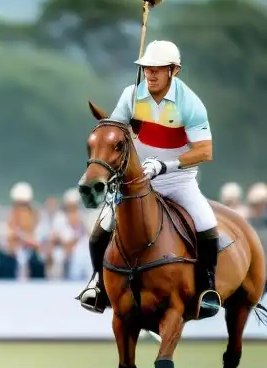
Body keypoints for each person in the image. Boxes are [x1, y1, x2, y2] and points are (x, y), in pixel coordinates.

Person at [78, 40, 221, 318]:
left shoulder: (189, 102)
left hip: (178, 180)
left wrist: (165, 165)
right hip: (138, 180)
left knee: (207, 224)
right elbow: (114, 133)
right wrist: (127, 128)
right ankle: (98, 285)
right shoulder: (131, 94)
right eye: (146, 69)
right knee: (100, 230)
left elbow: (205, 150)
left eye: (158, 69)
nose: (150, 75)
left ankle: (207, 289)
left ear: (174, 71)